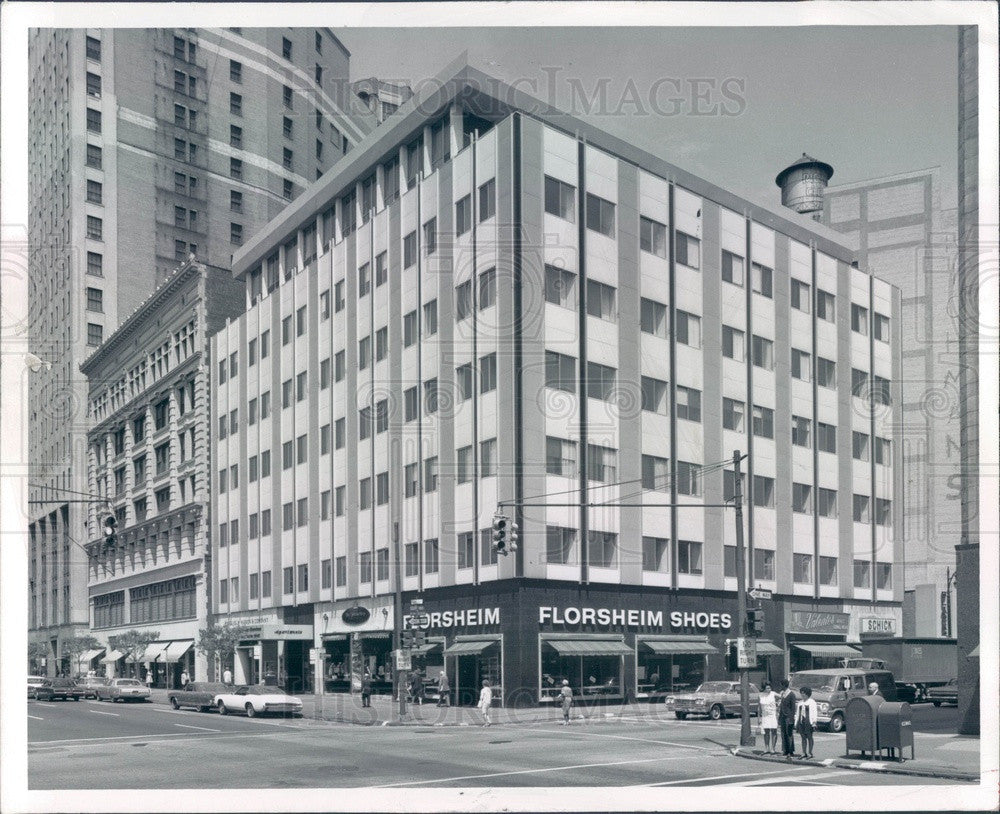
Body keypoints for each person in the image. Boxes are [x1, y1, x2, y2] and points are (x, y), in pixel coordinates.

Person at [795, 686, 818, 760]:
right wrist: (796, 723)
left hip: (809, 721)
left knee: (809, 737)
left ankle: (810, 752)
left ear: (807, 694)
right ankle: (803, 752)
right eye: (801, 693)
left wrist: (814, 721)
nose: (802, 695)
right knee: (803, 737)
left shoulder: (812, 702)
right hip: (801, 721)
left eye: (804, 694)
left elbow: (814, 712)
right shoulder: (800, 703)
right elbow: (798, 713)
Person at [778, 679, 798, 758]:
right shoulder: (783, 694)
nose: (780, 687)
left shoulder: (791, 694)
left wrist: (791, 718)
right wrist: (779, 717)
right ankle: (785, 750)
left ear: (784, 685)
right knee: (783, 733)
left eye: (781, 685)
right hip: (783, 716)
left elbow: (793, 708)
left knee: (789, 734)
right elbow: (781, 706)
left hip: (788, 717)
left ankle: (790, 751)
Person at [758, 682, 779, 754]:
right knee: (766, 732)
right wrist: (759, 718)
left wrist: (778, 706)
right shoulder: (760, 695)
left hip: (772, 714)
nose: (769, 689)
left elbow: (782, 697)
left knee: (774, 731)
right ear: (764, 688)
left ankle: (773, 748)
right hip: (764, 715)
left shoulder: (773, 694)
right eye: (767, 688)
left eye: (770, 688)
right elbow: (759, 708)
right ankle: (766, 748)